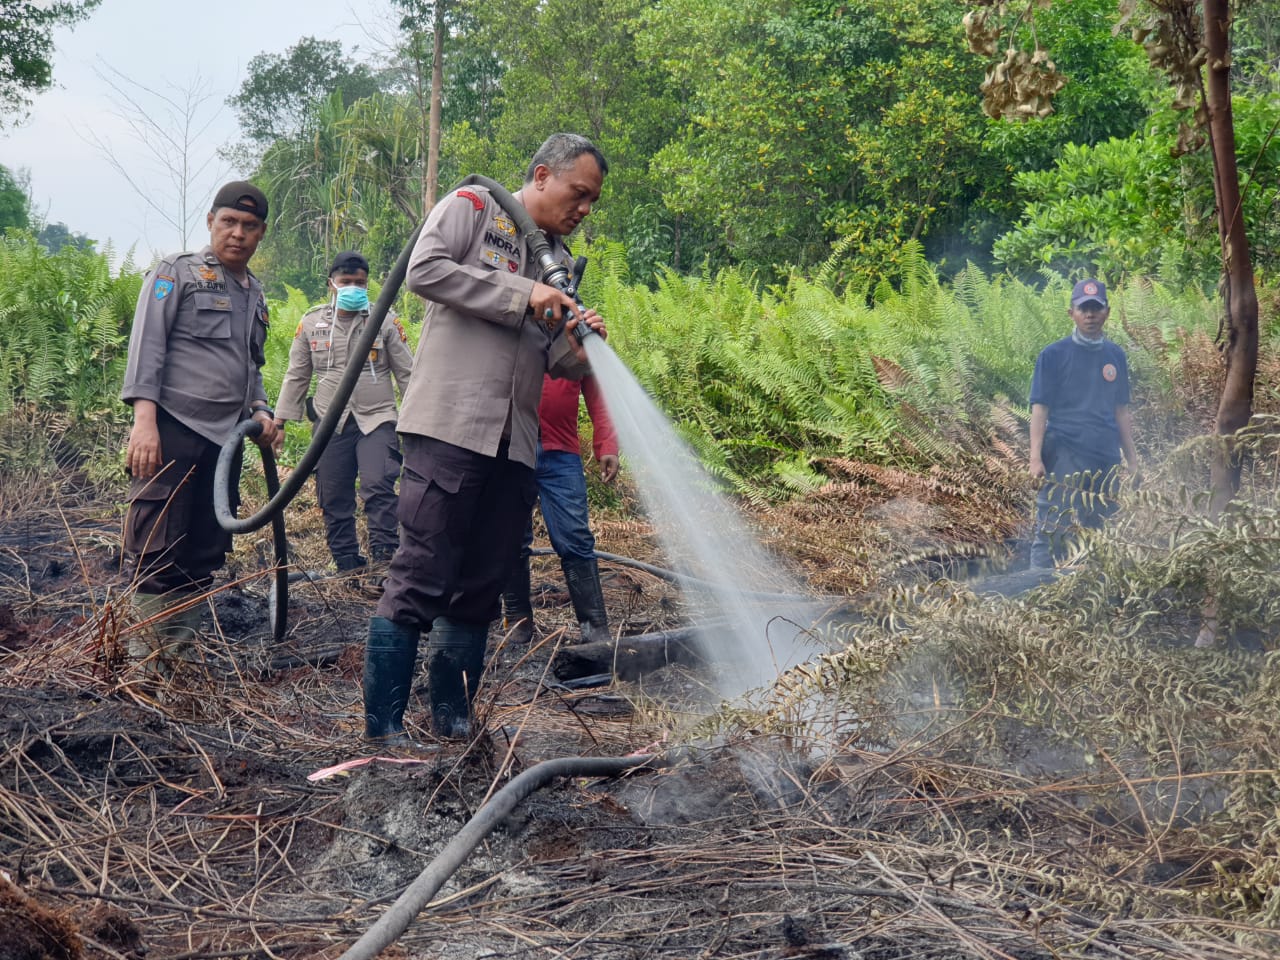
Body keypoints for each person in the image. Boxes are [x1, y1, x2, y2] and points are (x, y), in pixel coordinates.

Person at [363, 133, 609, 744]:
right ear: (543, 174)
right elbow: (424, 270)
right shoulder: (475, 207)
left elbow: (552, 359)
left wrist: (579, 345)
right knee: (422, 571)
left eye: (592, 202)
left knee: (479, 584)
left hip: (514, 444)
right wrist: (526, 293)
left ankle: (452, 719)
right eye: (579, 194)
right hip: (450, 428)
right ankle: (384, 728)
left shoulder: (557, 261)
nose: (584, 210)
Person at [121, 181, 279, 675]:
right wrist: (143, 422)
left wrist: (260, 408)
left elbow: (251, 364)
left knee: (204, 549)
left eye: (249, 226)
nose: (238, 234)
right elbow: (148, 346)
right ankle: (145, 666)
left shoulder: (254, 292)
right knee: (155, 546)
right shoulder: (178, 273)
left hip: (225, 441)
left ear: (261, 233)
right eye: (229, 222)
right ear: (211, 221)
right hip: (173, 428)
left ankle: (181, 664)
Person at [273, 251, 414, 573]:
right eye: (346, 282)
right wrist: (279, 421)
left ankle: (384, 560)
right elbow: (297, 374)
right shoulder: (311, 323)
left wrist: (417, 422)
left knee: (379, 485)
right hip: (330, 422)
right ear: (331, 284)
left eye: (360, 283)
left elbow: (407, 373)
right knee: (333, 496)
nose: (353, 288)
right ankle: (347, 564)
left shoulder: (384, 320)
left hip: (377, 418)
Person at [1028, 278, 1139, 568]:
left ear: (1107, 312)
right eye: (1083, 308)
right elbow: (1040, 409)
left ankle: (1097, 594)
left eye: (1096, 308)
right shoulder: (1052, 355)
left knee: (1101, 530)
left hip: (1104, 456)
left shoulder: (1115, 355)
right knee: (1053, 527)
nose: (1090, 315)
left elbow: (1121, 412)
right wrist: (1035, 458)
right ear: (1071, 313)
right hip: (1063, 452)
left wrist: (1133, 461)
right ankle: (1035, 592)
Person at [501, 374, 619, 644]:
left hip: (561, 450)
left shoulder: (575, 335)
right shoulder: (512, 330)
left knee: (575, 537)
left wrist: (607, 444)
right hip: (511, 447)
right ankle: (518, 620)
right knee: (510, 535)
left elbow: (598, 390)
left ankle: (595, 629)